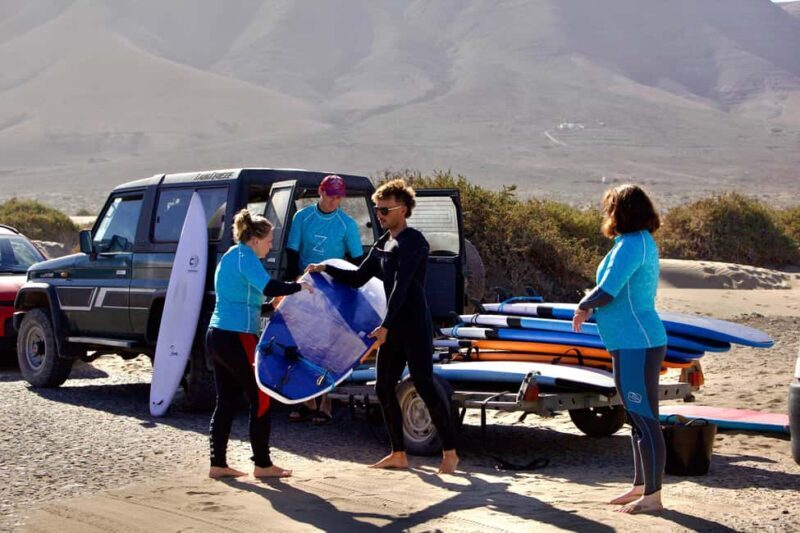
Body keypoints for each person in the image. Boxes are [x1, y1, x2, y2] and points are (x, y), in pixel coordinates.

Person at [306, 179, 460, 474]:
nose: (379, 215)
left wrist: (386, 325)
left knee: (424, 383)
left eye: (384, 210)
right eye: (377, 210)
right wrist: (326, 269)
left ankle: (450, 453)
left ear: (403, 209)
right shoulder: (383, 242)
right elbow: (358, 278)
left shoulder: (414, 242)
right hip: (391, 324)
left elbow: (402, 286)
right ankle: (398, 453)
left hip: (413, 323)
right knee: (383, 386)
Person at [572, 184, 668, 514]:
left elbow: (608, 290)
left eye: (610, 208)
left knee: (645, 418)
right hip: (628, 342)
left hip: (636, 342)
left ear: (622, 212)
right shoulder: (634, 242)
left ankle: (653, 496)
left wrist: (583, 305)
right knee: (636, 417)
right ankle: (641, 486)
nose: (607, 213)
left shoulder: (632, 245)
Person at [206, 209, 312, 479]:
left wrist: (269, 306)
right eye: (269, 241)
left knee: (226, 400)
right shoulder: (246, 256)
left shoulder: (231, 256)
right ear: (255, 240)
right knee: (261, 397)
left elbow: (243, 300)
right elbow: (269, 287)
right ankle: (262, 464)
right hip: (237, 335)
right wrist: (299, 286)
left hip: (218, 334)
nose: (271, 246)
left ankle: (218, 464)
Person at [285, 174, 364, 425]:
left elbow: (357, 260)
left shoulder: (346, 223)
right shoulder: (303, 217)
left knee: (327, 346)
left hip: (333, 289)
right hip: (306, 287)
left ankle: (326, 403)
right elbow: (292, 252)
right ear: (321, 192)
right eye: (331, 196)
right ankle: (305, 400)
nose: (334, 201)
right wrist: (293, 283)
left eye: (339, 197)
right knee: (302, 343)